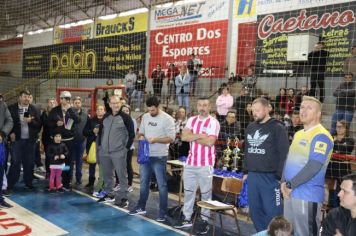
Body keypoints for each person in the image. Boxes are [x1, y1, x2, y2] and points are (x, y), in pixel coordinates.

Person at [281, 96, 334, 236]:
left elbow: (313, 166)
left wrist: (290, 185)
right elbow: (288, 159)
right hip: (289, 192)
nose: (303, 111)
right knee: (287, 232)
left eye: (309, 108)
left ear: (319, 114)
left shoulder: (322, 135)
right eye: (302, 107)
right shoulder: (298, 134)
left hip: (307, 195)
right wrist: (282, 182)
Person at [174, 97, 220, 235]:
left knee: (206, 194)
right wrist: (200, 135)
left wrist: (193, 136)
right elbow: (184, 137)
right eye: (200, 105)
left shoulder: (213, 122)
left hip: (205, 164)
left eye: (205, 105)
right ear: (197, 106)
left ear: (209, 106)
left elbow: (210, 142)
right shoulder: (192, 120)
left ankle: (205, 220)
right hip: (190, 163)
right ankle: (186, 217)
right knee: (188, 192)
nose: (202, 107)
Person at [243, 97, 289, 232]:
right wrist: (246, 171)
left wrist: (279, 178)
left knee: (273, 214)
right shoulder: (250, 127)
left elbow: (284, 154)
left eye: (257, 110)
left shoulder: (277, 127)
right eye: (253, 111)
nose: (254, 113)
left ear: (267, 108)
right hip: (252, 176)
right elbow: (247, 150)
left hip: (270, 178)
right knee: (255, 212)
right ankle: (262, 234)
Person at [129, 96, 175, 222]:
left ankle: (163, 212)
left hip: (159, 156)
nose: (151, 112)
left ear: (158, 107)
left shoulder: (168, 119)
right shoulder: (146, 117)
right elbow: (141, 132)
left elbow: (171, 138)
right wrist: (142, 137)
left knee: (162, 185)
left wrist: (156, 140)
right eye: (149, 110)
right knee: (144, 182)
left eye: (153, 110)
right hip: (146, 154)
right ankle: (141, 206)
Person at [97, 95, 135, 208]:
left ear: (121, 103)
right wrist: (100, 146)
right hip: (105, 152)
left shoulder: (126, 118)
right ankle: (109, 194)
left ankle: (123, 198)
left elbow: (132, 135)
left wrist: (125, 149)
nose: (116, 105)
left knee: (122, 176)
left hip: (119, 152)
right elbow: (100, 132)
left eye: (117, 103)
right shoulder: (106, 116)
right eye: (113, 103)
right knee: (107, 174)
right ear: (109, 105)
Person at [7, 90, 41, 190]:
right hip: (17, 140)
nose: (26, 98)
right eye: (24, 96)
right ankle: (11, 183)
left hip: (30, 141)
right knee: (15, 162)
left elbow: (39, 124)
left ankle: (28, 182)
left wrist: (31, 121)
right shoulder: (11, 108)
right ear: (20, 97)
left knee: (29, 162)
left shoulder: (34, 108)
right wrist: (10, 133)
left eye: (28, 96)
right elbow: (8, 122)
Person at [48, 91, 80, 191]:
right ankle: (54, 182)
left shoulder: (72, 110)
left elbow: (78, 120)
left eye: (66, 99)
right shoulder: (54, 110)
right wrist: (55, 124)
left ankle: (66, 182)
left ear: (69, 100)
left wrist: (69, 110)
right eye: (62, 98)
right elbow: (48, 123)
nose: (63, 100)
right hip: (57, 142)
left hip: (69, 141)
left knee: (68, 163)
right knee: (55, 161)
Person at [326, 120, 354, 208]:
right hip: (331, 171)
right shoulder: (330, 137)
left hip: (343, 172)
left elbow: (345, 149)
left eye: (341, 127)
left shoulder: (350, 140)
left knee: (340, 195)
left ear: (346, 129)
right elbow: (327, 148)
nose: (339, 129)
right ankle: (330, 212)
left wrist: (334, 144)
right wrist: (337, 146)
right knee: (331, 196)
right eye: (337, 126)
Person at [83, 105, 105, 189]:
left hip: (103, 146)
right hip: (92, 145)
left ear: (104, 111)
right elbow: (84, 132)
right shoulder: (91, 120)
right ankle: (91, 181)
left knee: (102, 165)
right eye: (98, 109)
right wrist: (92, 131)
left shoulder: (107, 120)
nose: (99, 110)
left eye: (101, 109)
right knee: (92, 164)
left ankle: (102, 181)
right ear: (96, 111)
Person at [0, 95, 13, 208]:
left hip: (0, 142)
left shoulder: (3, 105)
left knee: (0, 170)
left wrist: (2, 134)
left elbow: (9, 121)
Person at [72, 96, 89, 186]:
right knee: (69, 161)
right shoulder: (69, 114)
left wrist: (85, 136)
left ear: (81, 104)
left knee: (79, 161)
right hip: (70, 141)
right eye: (75, 103)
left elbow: (88, 127)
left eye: (79, 102)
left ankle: (78, 179)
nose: (77, 104)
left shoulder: (85, 115)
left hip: (81, 142)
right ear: (73, 103)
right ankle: (68, 178)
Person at [121, 105, 137, 192]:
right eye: (123, 110)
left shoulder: (132, 121)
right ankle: (119, 183)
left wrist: (126, 147)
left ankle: (129, 184)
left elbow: (132, 135)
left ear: (129, 112)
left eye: (127, 111)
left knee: (128, 165)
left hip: (128, 147)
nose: (125, 112)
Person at [40, 97, 57, 177]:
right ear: (48, 103)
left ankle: (55, 172)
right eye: (50, 102)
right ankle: (48, 172)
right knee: (48, 155)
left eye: (53, 102)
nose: (52, 104)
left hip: (56, 138)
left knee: (56, 156)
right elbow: (45, 124)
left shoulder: (58, 112)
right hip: (46, 137)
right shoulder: (44, 113)